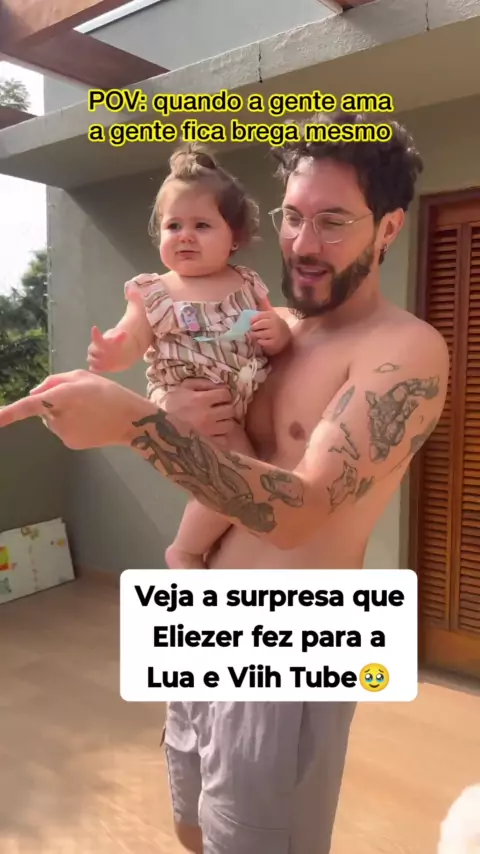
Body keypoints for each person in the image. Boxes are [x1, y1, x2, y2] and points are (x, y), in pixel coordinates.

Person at [0, 110, 450, 854]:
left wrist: (135, 425)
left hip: (290, 640)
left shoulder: (404, 350)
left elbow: (302, 511)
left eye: (333, 221)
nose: (303, 243)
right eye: (293, 217)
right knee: (193, 822)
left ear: (389, 227)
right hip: (198, 606)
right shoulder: (267, 325)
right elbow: (182, 394)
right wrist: (160, 407)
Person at [86, 143, 292, 569]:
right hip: (189, 402)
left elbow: (273, 330)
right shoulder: (156, 291)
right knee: (241, 474)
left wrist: (278, 333)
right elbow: (132, 335)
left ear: (235, 236)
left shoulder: (248, 285)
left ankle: (214, 548)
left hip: (234, 408)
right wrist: (113, 351)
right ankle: (185, 549)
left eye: (202, 225)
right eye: (173, 225)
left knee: (240, 481)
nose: (184, 235)